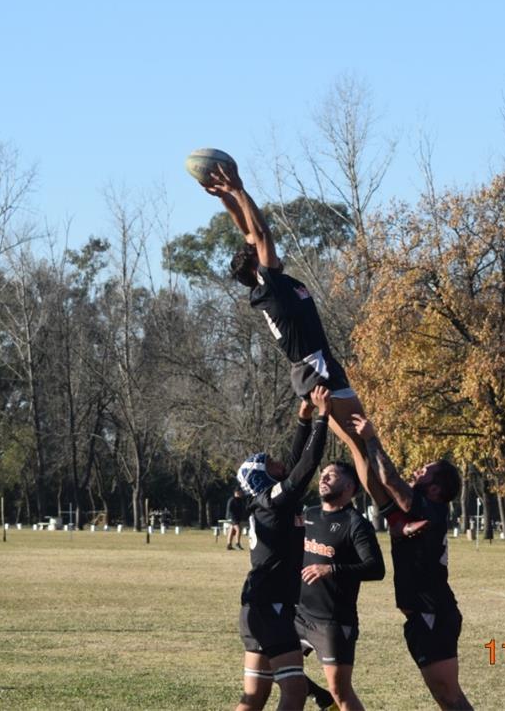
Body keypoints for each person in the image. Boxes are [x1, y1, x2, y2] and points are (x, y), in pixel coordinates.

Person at [200, 166, 392, 513]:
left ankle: (387, 509)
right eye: (262, 253)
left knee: (358, 445)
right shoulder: (270, 284)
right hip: (316, 366)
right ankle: (391, 513)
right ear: (259, 266)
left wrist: (226, 197)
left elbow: (247, 230)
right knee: (362, 445)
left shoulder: (268, 285)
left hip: (312, 367)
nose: (270, 250)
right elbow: (260, 232)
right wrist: (241, 188)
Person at [351, 414, 471, 711]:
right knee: (444, 697)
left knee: (449, 696)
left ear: (435, 490)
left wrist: (370, 437)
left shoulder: (433, 510)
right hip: (421, 617)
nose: (416, 472)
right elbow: (374, 482)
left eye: (424, 472)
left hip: (434, 613)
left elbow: (390, 479)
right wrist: (352, 441)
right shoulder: (413, 512)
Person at [236, 386, 333, 711]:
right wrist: (323, 416)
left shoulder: (267, 503)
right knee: (292, 691)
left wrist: (302, 422)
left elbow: (293, 467)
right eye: (273, 464)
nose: (280, 464)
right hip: (270, 607)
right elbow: (305, 466)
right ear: (264, 477)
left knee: (255, 698)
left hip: (258, 607)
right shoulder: (271, 503)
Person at [296, 461, 385, 711]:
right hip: (299, 613)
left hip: (333, 621)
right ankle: (319, 697)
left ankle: (330, 698)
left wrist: (331, 569)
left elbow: (376, 568)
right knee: (272, 664)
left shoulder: (355, 523)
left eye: (331, 475)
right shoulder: (309, 515)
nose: (323, 478)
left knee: (341, 691)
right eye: (322, 473)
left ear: (348, 486)